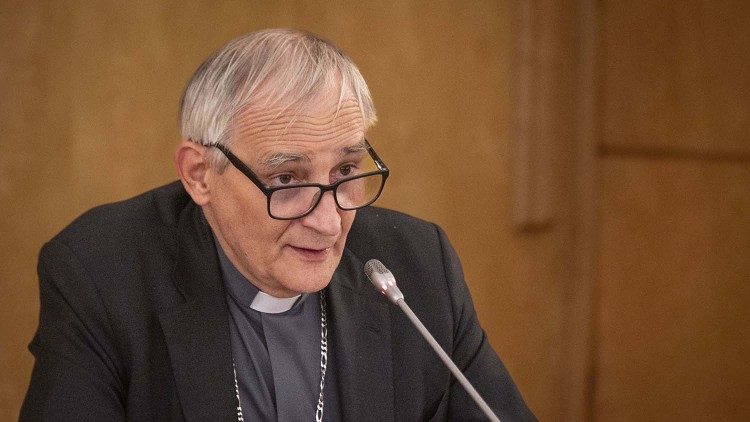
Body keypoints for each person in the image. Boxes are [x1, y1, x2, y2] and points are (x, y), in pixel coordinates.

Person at [20, 28, 535, 421]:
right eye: (287, 179)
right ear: (200, 175)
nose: (330, 221)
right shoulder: (101, 274)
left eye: (346, 172)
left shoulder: (417, 266)